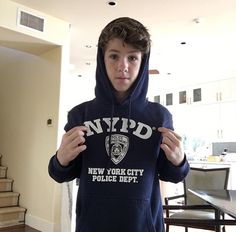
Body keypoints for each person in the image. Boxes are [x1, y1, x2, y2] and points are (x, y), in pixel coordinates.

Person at [48, 17, 189, 232]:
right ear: (102, 59)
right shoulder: (80, 115)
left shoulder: (159, 116)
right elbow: (60, 174)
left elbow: (172, 175)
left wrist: (180, 162)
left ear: (143, 63)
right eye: (114, 56)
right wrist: (60, 160)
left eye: (132, 57)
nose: (122, 66)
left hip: (143, 226)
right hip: (92, 225)